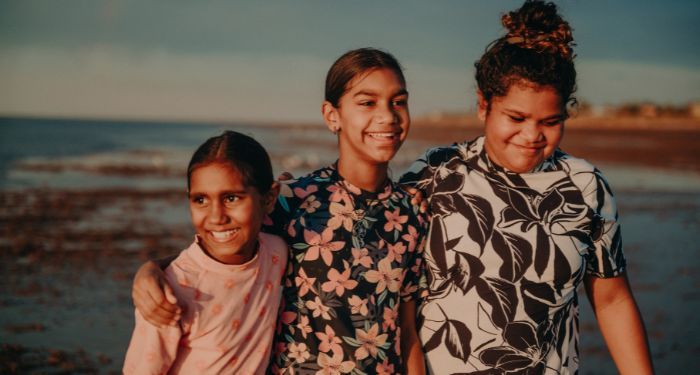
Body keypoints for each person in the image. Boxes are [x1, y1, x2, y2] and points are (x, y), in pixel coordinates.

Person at [131, 48, 429, 374]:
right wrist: (151, 271)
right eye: (368, 102)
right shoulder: (292, 200)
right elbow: (216, 249)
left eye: (398, 102)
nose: (387, 116)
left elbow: (407, 329)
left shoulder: (410, 213)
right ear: (332, 116)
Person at [399, 1, 654, 373]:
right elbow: (393, 288)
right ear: (483, 105)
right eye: (516, 117)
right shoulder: (436, 173)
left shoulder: (586, 187)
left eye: (550, 121)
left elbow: (613, 301)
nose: (532, 135)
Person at [123, 131, 285, 374]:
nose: (216, 217)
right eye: (200, 200)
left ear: (269, 199)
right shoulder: (168, 293)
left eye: (231, 198)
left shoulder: (277, 252)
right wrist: (152, 268)